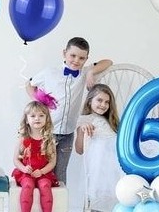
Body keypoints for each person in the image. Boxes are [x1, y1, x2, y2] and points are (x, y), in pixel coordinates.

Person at [26, 36, 113, 184]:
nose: (76, 61)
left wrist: (91, 72)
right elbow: (29, 84)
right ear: (64, 53)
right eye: (73, 55)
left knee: (60, 176)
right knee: (40, 173)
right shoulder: (49, 72)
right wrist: (39, 100)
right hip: (46, 132)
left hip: (67, 135)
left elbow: (108, 62)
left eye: (81, 58)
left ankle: (59, 199)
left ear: (86, 59)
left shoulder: (84, 72)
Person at [12, 101, 59, 212]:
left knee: (45, 186)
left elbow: (52, 162)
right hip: (26, 173)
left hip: (43, 173)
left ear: (46, 119)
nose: (37, 118)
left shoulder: (49, 140)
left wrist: (42, 171)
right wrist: (24, 168)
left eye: (41, 115)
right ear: (27, 120)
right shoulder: (23, 138)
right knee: (27, 186)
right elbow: (15, 159)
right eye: (33, 116)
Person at [75, 83, 124, 212]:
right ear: (90, 101)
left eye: (107, 102)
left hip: (117, 158)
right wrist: (82, 129)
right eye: (99, 100)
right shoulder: (84, 120)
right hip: (101, 163)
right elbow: (79, 150)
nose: (103, 105)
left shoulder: (111, 121)